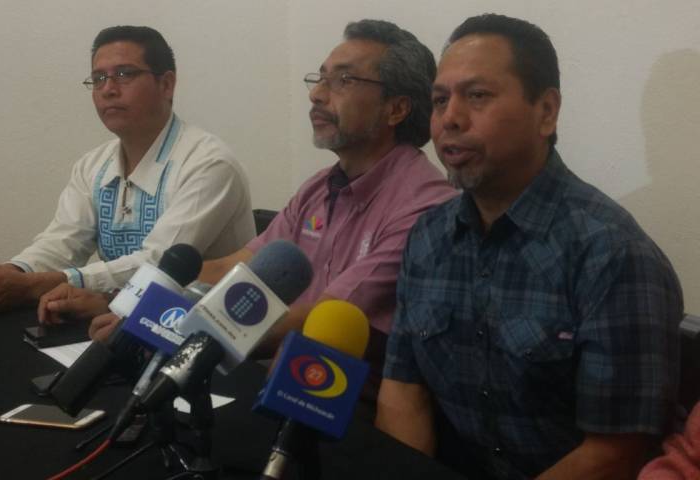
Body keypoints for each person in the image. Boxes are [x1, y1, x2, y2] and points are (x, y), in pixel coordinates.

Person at [376, 13, 683, 479]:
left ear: (546, 111)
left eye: (477, 96)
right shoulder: (428, 237)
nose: (450, 119)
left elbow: (618, 451)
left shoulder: (612, 253)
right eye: (440, 100)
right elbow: (403, 390)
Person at [84, 19, 457, 392]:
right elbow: (238, 268)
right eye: (320, 79)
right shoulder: (319, 187)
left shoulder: (423, 207)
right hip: (272, 375)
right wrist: (130, 303)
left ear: (396, 109)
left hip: (341, 405)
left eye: (343, 81)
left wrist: (167, 327)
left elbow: (316, 318)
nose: (317, 95)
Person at [0, 26, 254, 314]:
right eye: (99, 79)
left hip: (201, 329)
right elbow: (62, 242)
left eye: (125, 74)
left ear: (166, 84)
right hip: (116, 317)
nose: (109, 89)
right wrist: (8, 275)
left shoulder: (208, 163)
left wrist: (49, 282)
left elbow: (160, 264)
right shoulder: (92, 165)